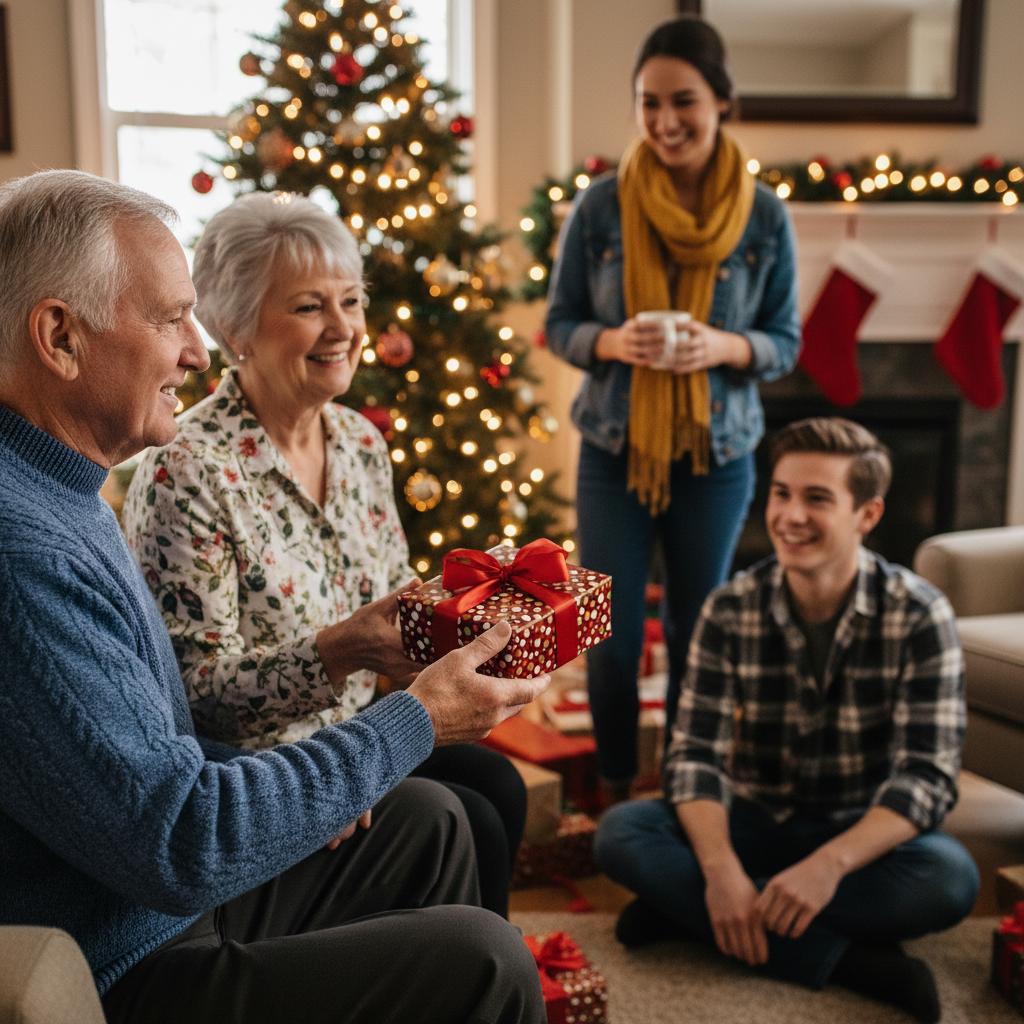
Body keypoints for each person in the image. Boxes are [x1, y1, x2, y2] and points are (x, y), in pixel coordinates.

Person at [0, 168, 549, 1024]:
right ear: (60, 337)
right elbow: (176, 837)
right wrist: (406, 722)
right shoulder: (26, 548)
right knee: (487, 962)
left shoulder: (68, 486)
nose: (195, 351)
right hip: (125, 949)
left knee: (436, 819)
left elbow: (149, 746)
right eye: (170, 318)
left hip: (162, 886)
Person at [121, 190, 526, 918]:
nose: (343, 328)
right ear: (234, 325)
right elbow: (190, 697)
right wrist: (340, 653)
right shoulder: (187, 469)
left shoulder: (362, 443)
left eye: (351, 300)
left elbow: (399, 615)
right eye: (309, 306)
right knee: (469, 816)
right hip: (262, 776)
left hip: (362, 733)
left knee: (498, 786)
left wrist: (490, 625)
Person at [595, 417, 979, 1024]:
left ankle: (690, 916)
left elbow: (927, 779)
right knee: (621, 834)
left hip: (856, 835)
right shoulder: (729, 608)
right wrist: (720, 871)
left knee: (950, 878)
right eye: (781, 493)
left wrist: (827, 867)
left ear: (867, 515)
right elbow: (694, 756)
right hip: (752, 821)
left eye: (817, 498)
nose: (790, 515)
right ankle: (855, 962)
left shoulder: (921, 614)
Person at [544, 15, 801, 801]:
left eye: (682, 101)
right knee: (612, 638)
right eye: (648, 103)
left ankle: (690, 791)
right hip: (615, 447)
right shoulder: (600, 207)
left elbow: (783, 341)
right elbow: (560, 325)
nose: (664, 122)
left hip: (717, 454)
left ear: (724, 102)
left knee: (699, 635)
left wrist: (722, 349)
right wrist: (615, 343)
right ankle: (621, 790)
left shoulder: (763, 216)